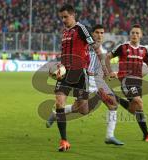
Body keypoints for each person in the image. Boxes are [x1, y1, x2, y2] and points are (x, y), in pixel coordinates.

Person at [46, 24, 124, 145]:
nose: (99, 35)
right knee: (83, 110)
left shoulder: (103, 51)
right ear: (91, 34)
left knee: (113, 105)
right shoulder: (85, 45)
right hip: (85, 80)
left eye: (102, 33)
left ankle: (110, 136)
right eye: (97, 32)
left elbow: (102, 68)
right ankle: (57, 113)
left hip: (97, 82)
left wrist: (109, 74)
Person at [105, 24, 148, 142]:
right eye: (133, 33)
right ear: (130, 34)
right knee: (138, 101)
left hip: (138, 82)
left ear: (141, 35)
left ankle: (146, 135)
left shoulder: (143, 50)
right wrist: (110, 71)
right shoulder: (123, 47)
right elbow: (107, 57)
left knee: (135, 109)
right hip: (125, 81)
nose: (135, 35)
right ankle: (147, 134)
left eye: (137, 33)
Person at [54, 4, 100, 152]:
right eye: (61, 17)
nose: (63, 20)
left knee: (83, 109)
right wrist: (59, 67)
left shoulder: (81, 29)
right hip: (65, 73)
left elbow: (95, 47)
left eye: (66, 17)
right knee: (59, 102)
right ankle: (64, 140)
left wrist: (105, 68)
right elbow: (64, 53)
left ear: (73, 15)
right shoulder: (65, 32)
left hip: (80, 73)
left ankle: (95, 97)